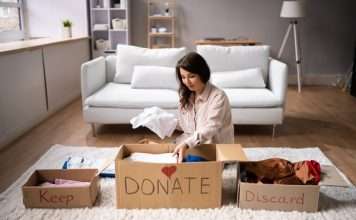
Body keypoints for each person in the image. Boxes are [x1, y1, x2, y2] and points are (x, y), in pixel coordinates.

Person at [173, 52, 234, 163]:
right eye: (183, 77)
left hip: (215, 150)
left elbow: (211, 127)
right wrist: (165, 122)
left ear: (202, 73)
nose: (187, 82)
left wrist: (187, 144)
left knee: (185, 165)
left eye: (192, 76)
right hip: (196, 146)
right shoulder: (186, 95)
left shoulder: (218, 96)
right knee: (171, 156)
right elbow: (187, 127)